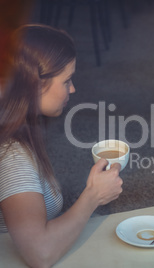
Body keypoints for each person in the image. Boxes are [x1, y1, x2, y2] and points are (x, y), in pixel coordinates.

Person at [0, 24, 123, 268]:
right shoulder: (12, 156)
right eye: (66, 80)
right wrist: (92, 196)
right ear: (35, 84)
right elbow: (40, 254)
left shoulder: (17, 128)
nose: (73, 88)